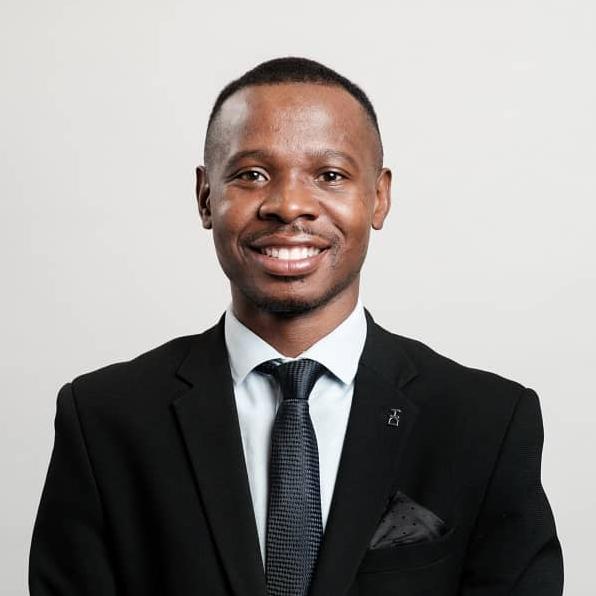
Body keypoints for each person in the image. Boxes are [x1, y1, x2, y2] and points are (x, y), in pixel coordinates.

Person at [29, 57, 563, 596]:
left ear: (378, 197)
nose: (288, 206)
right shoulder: (103, 419)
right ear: (206, 197)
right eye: (251, 175)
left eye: (330, 175)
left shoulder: (487, 422)